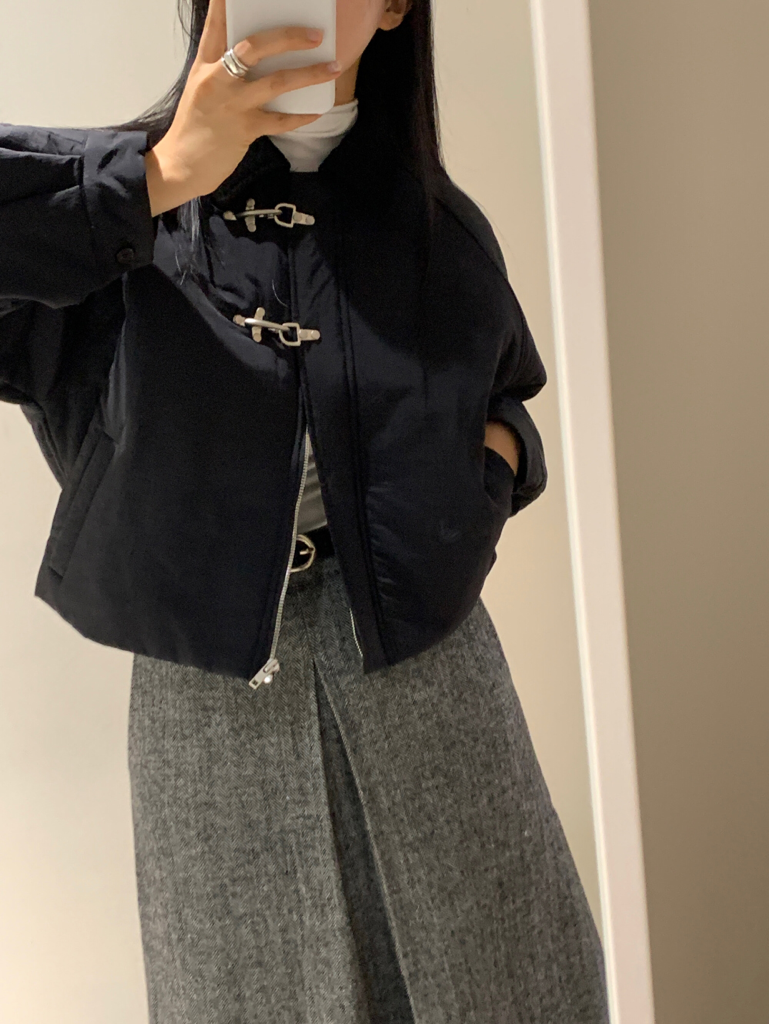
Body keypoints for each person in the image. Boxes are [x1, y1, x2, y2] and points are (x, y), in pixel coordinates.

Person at [0, 0, 611, 1019]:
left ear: (392, 7)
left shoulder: (439, 227)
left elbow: (503, 396)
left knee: (505, 986)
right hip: (206, 709)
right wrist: (161, 177)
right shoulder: (114, 201)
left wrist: (488, 477)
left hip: (432, 689)